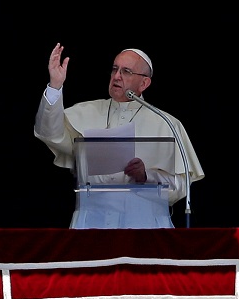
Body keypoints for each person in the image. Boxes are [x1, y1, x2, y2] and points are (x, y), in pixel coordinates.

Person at [35, 45, 204, 228]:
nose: (116, 76)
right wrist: (55, 86)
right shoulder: (86, 111)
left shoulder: (166, 123)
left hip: (145, 225)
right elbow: (49, 133)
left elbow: (181, 186)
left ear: (144, 84)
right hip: (91, 222)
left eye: (126, 71)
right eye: (115, 69)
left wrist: (146, 176)